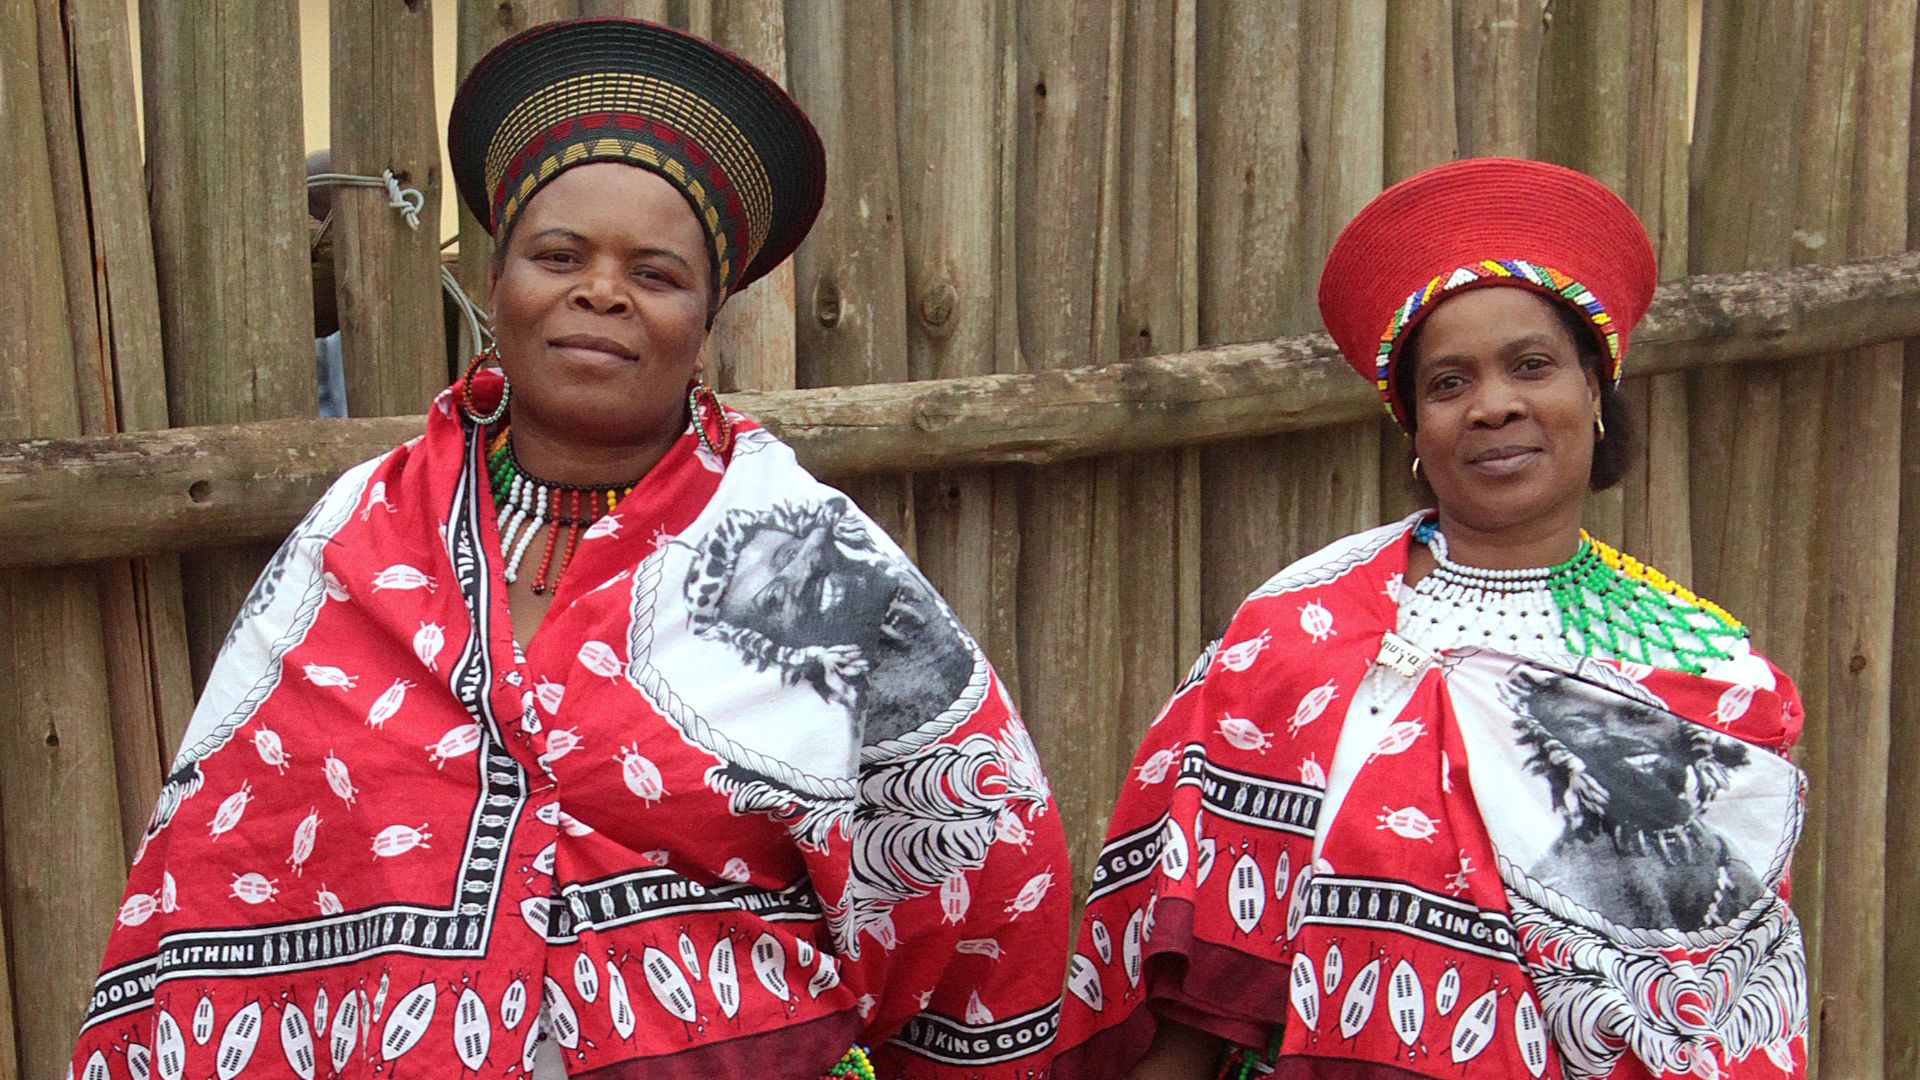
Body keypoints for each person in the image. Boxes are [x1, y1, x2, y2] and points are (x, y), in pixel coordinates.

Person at [67, 18, 1068, 1080]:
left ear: (706, 319)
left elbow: (987, 861)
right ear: (496, 282)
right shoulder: (360, 533)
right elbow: (217, 855)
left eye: (656, 273)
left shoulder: (816, 563)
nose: (602, 291)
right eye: (560, 256)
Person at [1052, 158, 1808, 1080]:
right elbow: (1183, 1014)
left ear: (1595, 397)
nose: (1494, 405)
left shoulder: (1707, 675)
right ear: (1414, 428)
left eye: (1531, 365)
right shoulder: (1293, 633)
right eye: (1448, 384)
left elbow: (1714, 1017)